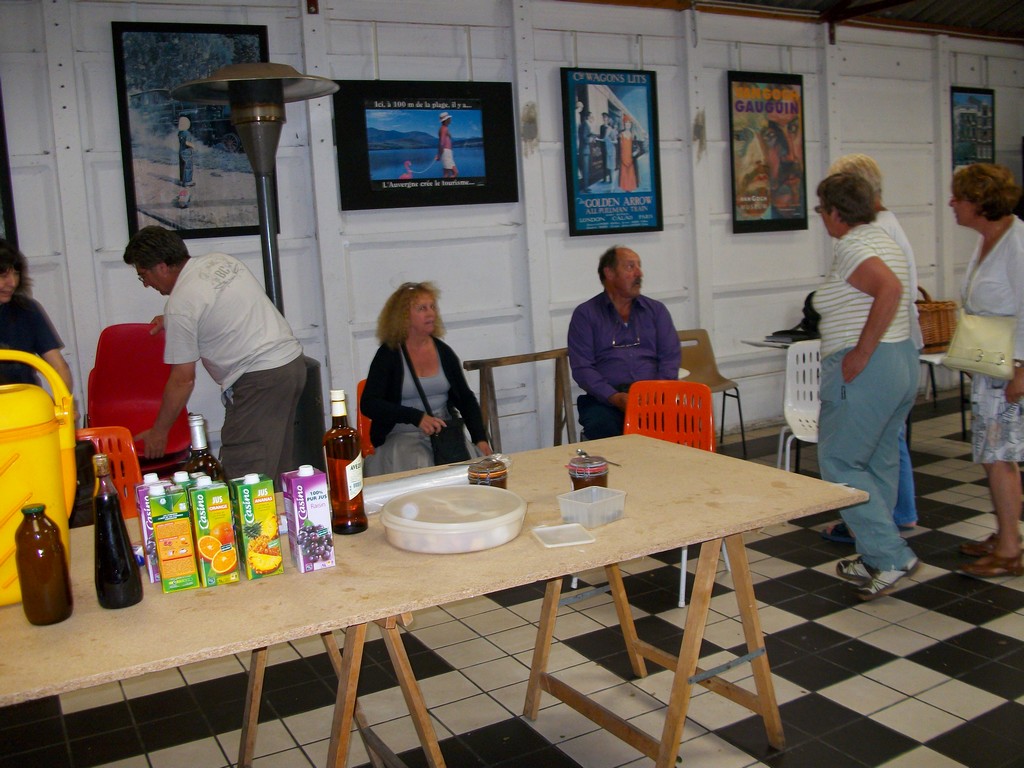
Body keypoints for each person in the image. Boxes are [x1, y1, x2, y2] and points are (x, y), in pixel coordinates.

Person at [123, 226, 306, 480]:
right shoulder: (220, 262)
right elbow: (221, 307)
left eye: (144, 275)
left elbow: (183, 380)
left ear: (162, 267)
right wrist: (173, 320)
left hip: (258, 381)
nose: (145, 285)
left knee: (245, 475)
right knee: (274, 468)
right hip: (290, 366)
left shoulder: (181, 304)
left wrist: (159, 432)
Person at [814, 172, 920, 600]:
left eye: (821, 209)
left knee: (838, 463)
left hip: (868, 368)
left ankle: (891, 555)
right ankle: (876, 552)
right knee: (878, 462)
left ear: (836, 212)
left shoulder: (853, 245)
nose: (821, 217)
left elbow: (889, 289)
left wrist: (861, 352)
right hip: (900, 361)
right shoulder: (882, 239)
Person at [949, 163, 1024, 578]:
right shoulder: (989, 240)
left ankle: (1011, 548)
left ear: (980, 202)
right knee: (991, 454)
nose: (952, 203)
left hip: (1009, 367)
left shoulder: (1017, 243)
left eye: (958, 197)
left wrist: (1022, 370)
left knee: (1000, 457)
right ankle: (1004, 532)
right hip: (990, 364)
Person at [361, 282, 491, 475]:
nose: (431, 313)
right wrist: (415, 417)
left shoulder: (443, 352)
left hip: (444, 435)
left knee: (471, 473)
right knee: (423, 469)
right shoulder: (388, 354)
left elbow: (466, 399)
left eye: (432, 307)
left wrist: (480, 438)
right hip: (402, 436)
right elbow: (369, 404)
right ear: (404, 316)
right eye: (422, 308)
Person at [567, 246, 680, 440]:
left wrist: (655, 392)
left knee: (683, 420)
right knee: (602, 426)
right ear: (609, 273)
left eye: (639, 266)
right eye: (630, 267)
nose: (639, 273)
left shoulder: (656, 311)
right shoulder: (586, 314)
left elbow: (670, 357)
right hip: (606, 399)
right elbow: (582, 368)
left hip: (654, 396)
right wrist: (614, 397)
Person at [0, 238, 73, 390]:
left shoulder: (27, 310)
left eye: (16, 274)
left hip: (26, 400)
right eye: (4, 276)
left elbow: (59, 367)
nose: (13, 283)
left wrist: (63, 401)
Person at [617, 118, 638, 193]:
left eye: (629, 123)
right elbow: (619, 147)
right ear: (624, 124)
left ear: (631, 125)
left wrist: (635, 152)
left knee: (631, 173)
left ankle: (630, 188)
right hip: (623, 157)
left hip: (631, 157)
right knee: (624, 173)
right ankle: (625, 188)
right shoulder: (621, 135)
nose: (628, 125)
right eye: (626, 123)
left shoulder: (633, 135)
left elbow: (637, 147)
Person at [436, 112, 458, 178]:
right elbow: (442, 142)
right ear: (446, 120)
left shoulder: (444, 128)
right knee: (455, 173)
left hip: (446, 152)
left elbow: (441, 142)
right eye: (449, 118)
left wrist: (439, 154)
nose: (450, 119)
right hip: (446, 152)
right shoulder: (444, 129)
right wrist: (439, 155)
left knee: (446, 174)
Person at [577, 108, 594, 192]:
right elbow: (584, 138)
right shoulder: (585, 125)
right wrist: (590, 139)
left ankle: (586, 186)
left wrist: (591, 135)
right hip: (584, 151)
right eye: (591, 117)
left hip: (584, 150)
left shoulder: (585, 125)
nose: (592, 118)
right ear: (588, 117)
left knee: (585, 169)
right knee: (585, 170)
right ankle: (585, 188)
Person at [177, 115, 194, 188]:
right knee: (188, 167)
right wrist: (193, 145)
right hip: (187, 152)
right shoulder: (187, 133)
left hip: (181, 152)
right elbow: (187, 143)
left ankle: (181, 180)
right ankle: (187, 182)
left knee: (182, 166)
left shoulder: (180, 133)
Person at [600, 113, 617, 185]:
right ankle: (604, 178)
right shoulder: (601, 127)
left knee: (610, 163)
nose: (604, 118)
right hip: (604, 147)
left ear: (608, 119)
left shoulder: (610, 128)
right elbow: (602, 137)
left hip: (609, 147)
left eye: (606, 117)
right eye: (603, 117)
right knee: (604, 163)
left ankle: (610, 179)